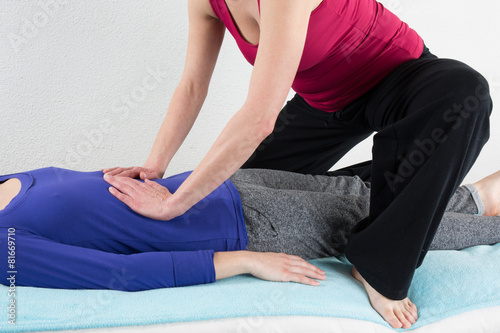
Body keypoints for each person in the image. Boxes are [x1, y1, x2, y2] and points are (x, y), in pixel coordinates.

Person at [102, 0, 493, 328]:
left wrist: (175, 203)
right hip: (326, 102)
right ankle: (468, 193)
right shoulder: (206, 2)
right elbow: (191, 85)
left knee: (463, 91)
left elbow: (258, 117)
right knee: (245, 191)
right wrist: (155, 165)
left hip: (400, 77)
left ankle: (380, 266)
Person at [2, 166, 500, 328]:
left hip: (216, 184)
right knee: (383, 222)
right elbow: (116, 275)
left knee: (360, 191)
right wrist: (241, 260)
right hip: (244, 226)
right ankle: (489, 226)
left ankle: (478, 197)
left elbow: (90, 203)